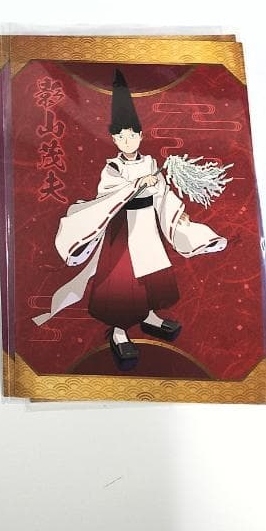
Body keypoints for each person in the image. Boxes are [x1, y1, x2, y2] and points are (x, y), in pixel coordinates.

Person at [33, 70, 227, 369]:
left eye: (132, 135)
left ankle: (149, 317)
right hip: (122, 231)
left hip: (147, 226)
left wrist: (174, 211)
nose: (127, 141)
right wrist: (137, 184)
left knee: (150, 275)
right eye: (121, 136)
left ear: (141, 135)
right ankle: (119, 332)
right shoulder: (112, 168)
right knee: (122, 283)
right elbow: (108, 196)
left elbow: (162, 194)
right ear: (113, 138)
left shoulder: (150, 162)